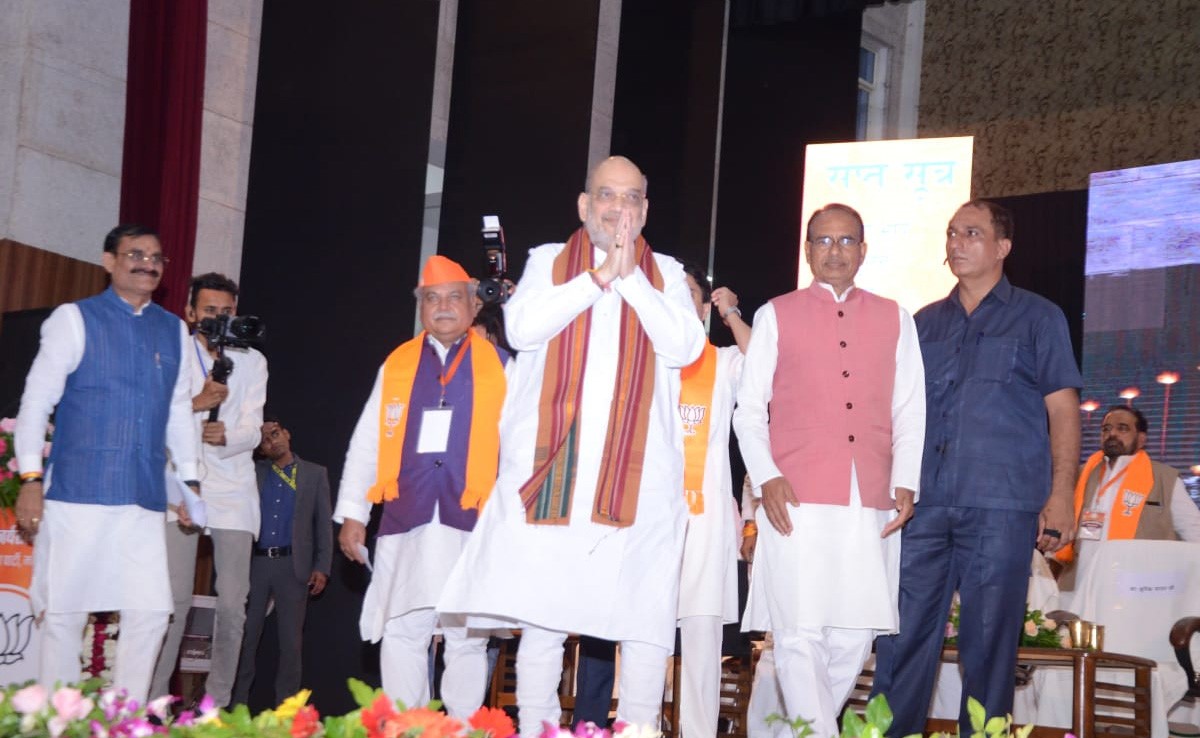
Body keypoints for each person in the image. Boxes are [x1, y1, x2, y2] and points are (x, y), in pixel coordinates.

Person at [437, 155, 706, 732]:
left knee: (642, 618)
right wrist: (600, 276)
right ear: (585, 205)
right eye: (607, 195)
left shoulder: (666, 272)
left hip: (639, 479)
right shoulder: (548, 261)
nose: (618, 208)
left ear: (645, 210)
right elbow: (522, 328)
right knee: (543, 616)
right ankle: (539, 728)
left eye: (631, 198)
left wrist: (631, 277)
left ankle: (637, 729)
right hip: (555, 469)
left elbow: (685, 346)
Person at [871, 200, 1082, 736]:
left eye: (971, 233)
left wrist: (1062, 495)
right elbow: (897, 413)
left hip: (1001, 506)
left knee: (988, 646)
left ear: (1002, 247)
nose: (956, 242)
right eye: (951, 233)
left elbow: (1062, 410)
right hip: (924, 506)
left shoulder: (1038, 317)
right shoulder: (923, 323)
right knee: (900, 637)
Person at [733, 203, 925, 738]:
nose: (834, 251)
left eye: (845, 241)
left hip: (871, 495)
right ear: (807, 250)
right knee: (797, 633)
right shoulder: (775, 314)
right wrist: (766, 475)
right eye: (823, 240)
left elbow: (910, 407)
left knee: (855, 637)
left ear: (863, 250)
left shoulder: (895, 317)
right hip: (793, 495)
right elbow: (749, 410)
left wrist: (906, 477)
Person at [13, 224, 198, 701]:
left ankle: (125, 718)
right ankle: (58, 718)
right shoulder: (74, 319)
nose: (147, 264)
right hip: (78, 492)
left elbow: (179, 411)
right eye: (135, 254)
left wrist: (190, 482)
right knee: (64, 614)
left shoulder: (174, 330)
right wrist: (30, 478)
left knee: (151, 612)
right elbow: (36, 403)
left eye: (156, 257)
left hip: (142, 496)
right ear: (109, 261)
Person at [571, 267, 750, 734]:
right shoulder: (639, 363)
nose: (677, 298)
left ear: (704, 306)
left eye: (689, 293)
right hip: (646, 520)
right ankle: (638, 728)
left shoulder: (723, 361)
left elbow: (767, 363)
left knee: (702, 641)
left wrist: (731, 313)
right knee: (641, 636)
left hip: (704, 523)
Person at [335, 254, 509, 718]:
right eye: (433, 299)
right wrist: (353, 512)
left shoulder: (502, 366)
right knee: (402, 628)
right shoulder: (397, 365)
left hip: (472, 519)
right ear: (420, 307)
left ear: (474, 306)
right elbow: (368, 441)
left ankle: (462, 727)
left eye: (454, 297)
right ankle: (407, 726)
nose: (444, 307)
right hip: (406, 516)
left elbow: (518, 448)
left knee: (467, 635)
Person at [150, 272, 268, 706]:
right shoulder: (172, 351)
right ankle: (154, 701)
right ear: (190, 312)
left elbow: (254, 427)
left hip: (232, 486)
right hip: (179, 483)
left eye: (226, 311)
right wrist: (197, 405)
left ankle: (215, 705)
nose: (219, 318)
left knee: (234, 603)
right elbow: (153, 414)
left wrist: (229, 436)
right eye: (210, 310)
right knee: (174, 599)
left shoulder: (252, 360)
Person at [232, 419, 333, 706]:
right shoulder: (254, 472)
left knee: (291, 644)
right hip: (256, 565)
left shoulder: (314, 473)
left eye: (275, 434)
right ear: (260, 449)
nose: (272, 441)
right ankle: (237, 705)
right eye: (264, 440)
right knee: (246, 638)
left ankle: (285, 714)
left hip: (293, 566)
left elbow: (323, 524)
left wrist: (322, 567)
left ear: (287, 434)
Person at [1052, 405, 1200, 589]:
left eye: (1122, 428)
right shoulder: (1080, 475)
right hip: (1079, 582)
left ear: (1141, 439)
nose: (1112, 434)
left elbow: (1194, 531)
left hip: (1139, 588)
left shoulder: (1164, 478)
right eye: (1106, 429)